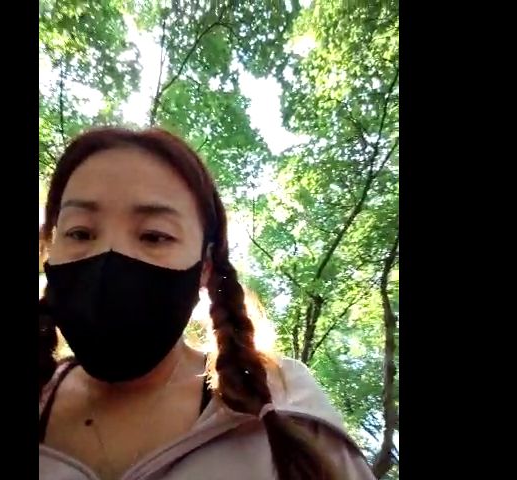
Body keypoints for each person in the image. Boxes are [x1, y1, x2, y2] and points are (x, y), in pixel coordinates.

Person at [38, 127, 374, 480]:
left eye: (154, 236)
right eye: (80, 233)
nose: (110, 256)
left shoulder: (286, 403)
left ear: (205, 268)